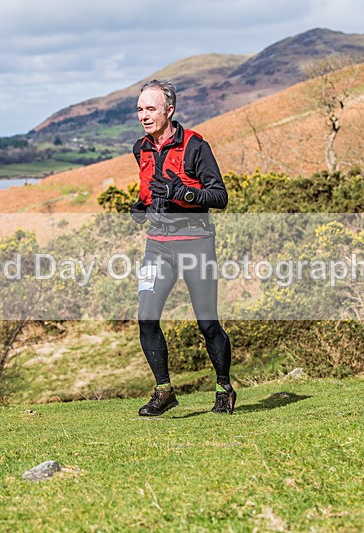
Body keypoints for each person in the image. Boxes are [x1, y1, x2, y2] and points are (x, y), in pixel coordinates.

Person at [129, 79, 235, 416]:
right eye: (140, 109)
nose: (144, 116)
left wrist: (185, 194)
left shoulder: (195, 147)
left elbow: (219, 197)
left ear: (169, 110)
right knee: (146, 318)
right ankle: (164, 391)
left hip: (195, 243)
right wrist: (141, 207)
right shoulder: (140, 148)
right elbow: (152, 192)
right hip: (157, 246)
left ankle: (224, 388)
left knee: (207, 323)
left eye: (151, 109)